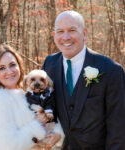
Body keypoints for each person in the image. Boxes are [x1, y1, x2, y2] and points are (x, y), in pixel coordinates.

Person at [42, 10, 125, 150]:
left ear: (85, 34)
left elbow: (119, 127)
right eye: (60, 31)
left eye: (72, 30)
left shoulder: (111, 70)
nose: (66, 37)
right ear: (54, 35)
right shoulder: (49, 65)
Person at [0, 45, 63, 150]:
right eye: (2, 68)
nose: (10, 71)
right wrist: (37, 125)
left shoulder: (24, 92)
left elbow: (50, 115)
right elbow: (6, 145)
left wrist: (57, 133)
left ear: (19, 66)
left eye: (12, 65)